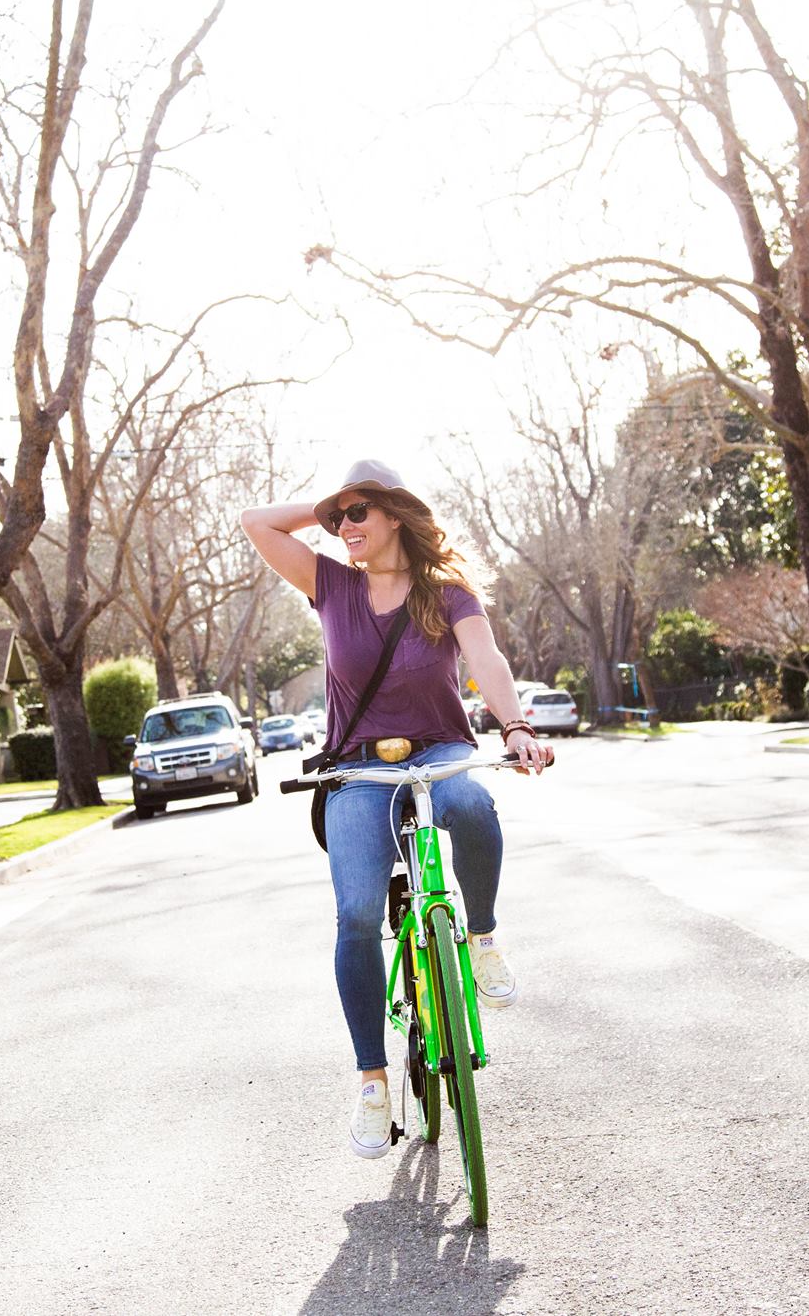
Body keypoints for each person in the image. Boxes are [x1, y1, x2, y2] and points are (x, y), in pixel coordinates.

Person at [241, 460, 555, 1160]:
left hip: (438, 750)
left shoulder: (447, 593)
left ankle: (481, 940)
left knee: (472, 803)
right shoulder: (331, 585)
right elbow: (254, 523)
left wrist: (516, 727)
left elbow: (488, 659)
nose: (344, 527)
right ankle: (373, 1082)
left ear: (394, 516)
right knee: (355, 913)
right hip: (357, 768)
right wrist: (326, 502)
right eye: (337, 517)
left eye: (359, 513)